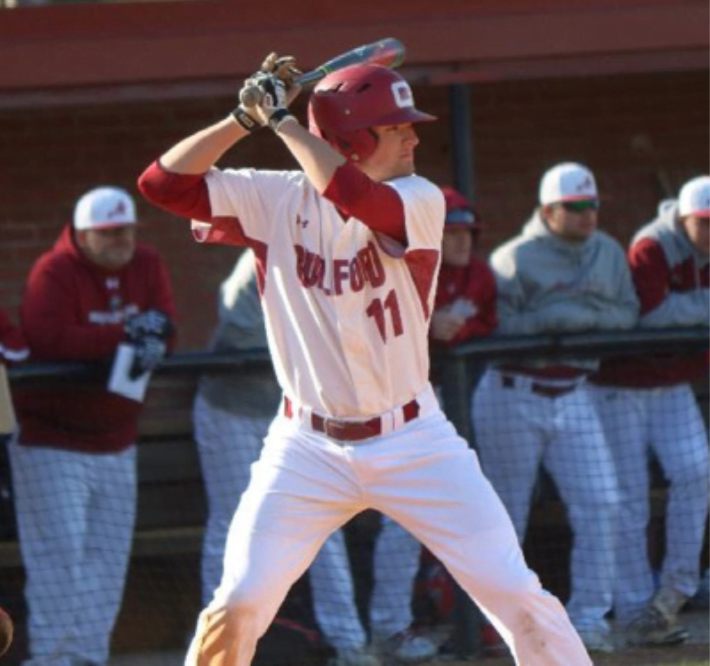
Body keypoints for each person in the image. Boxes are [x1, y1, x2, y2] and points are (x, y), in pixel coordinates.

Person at [138, 55, 592, 666]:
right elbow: (161, 186)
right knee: (240, 601)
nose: (414, 134)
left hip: (414, 439)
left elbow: (353, 197)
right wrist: (241, 120)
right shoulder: (273, 199)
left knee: (515, 592)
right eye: (397, 125)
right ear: (354, 139)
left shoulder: (420, 197)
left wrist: (285, 125)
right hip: (305, 447)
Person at [194, 249, 436, 666]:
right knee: (231, 524)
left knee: (322, 521)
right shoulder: (267, 256)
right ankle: (221, 648)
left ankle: (347, 642)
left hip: (296, 412)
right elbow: (238, 329)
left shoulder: (355, 264)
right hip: (232, 408)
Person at [472, 162, 640, 653]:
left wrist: (574, 316)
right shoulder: (513, 258)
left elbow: (628, 313)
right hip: (513, 392)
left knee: (603, 503)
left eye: (592, 206)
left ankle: (590, 618)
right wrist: (554, 319)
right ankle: (507, 625)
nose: (588, 215)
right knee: (507, 518)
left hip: (574, 393)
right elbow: (496, 325)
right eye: (576, 208)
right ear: (548, 211)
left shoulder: (608, 251)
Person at [9, 186, 177, 666]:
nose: (119, 240)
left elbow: (166, 319)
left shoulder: (146, 263)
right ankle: (51, 657)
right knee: (59, 559)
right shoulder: (53, 271)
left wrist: (156, 336)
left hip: (118, 440)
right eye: (107, 234)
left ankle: (87, 657)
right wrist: (125, 334)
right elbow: (50, 339)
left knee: (108, 559)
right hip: (52, 442)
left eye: (124, 230)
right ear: (82, 236)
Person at [589, 174, 710, 646]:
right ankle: (637, 609)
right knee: (630, 497)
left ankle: (676, 589)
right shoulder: (651, 246)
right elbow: (651, 315)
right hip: (622, 386)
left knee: (697, 470)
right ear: (683, 219)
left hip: (672, 383)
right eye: (703, 223)